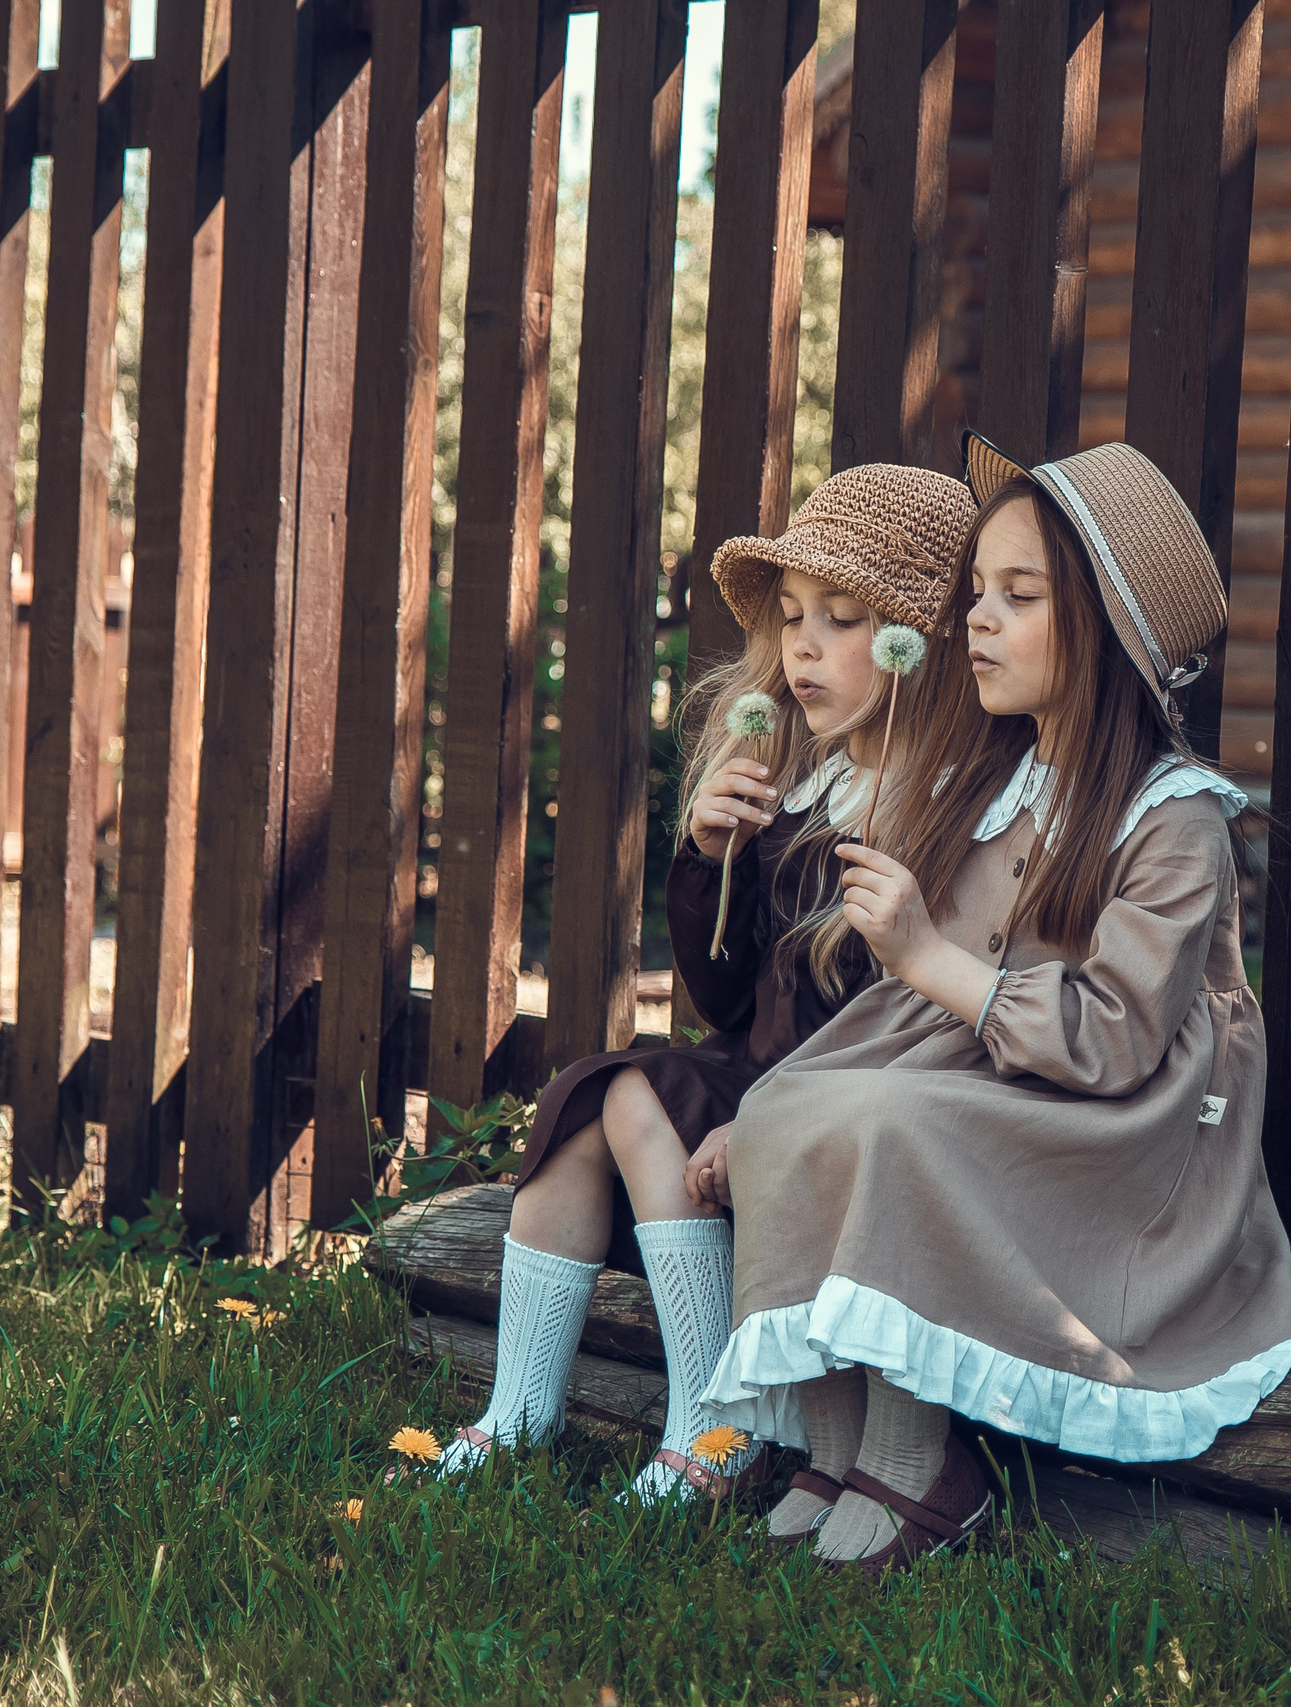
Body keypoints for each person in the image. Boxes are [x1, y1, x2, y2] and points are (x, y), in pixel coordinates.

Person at [702, 434, 1291, 1573]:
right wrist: (795, 1085)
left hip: (1116, 1136)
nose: (975, 618)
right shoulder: (1004, 784)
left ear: (1109, 631)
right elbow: (915, 1007)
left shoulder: (1174, 820)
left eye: (1015, 597)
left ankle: (917, 1470)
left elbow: (1115, 1037)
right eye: (976, 592)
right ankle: (831, 1452)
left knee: (892, 1124)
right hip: (999, 1073)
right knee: (786, 1109)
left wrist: (923, 951)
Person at [434, 463, 977, 1510]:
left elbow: (903, 1016)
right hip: (763, 1066)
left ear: (922, 644)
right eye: (792, 619)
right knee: (592, 1097)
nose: (803, 646)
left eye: (843, 618)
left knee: (639, 1094)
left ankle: (719, 1423)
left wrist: (773, 1117)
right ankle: (518, 1412)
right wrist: (706, 855)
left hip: (835, 1089)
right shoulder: (803, 784)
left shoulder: (941, 811)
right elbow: (726, 999)